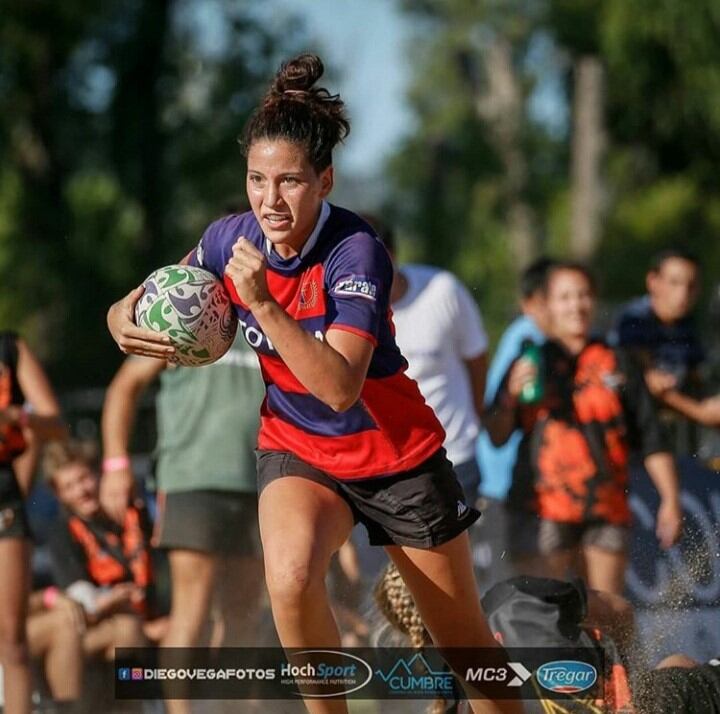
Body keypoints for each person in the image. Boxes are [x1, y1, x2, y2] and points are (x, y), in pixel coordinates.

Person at [107, 53, 521, 714]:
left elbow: (339, 388)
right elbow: (146, 295)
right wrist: (119, 320)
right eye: (256, 180)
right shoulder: (228, 237)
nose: (270, 200)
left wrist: (264, 305)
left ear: (324, 180)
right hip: (299, 445)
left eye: (290, 181)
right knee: (292, 576)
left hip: (396, 458)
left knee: (467, 649)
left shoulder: (356, 250)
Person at [484, 262, 683, 595]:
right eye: (565, 297)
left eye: (584, 295)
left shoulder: (618, 362)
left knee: (606, 611)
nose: (576, 305)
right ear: (546, 306)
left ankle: (622, 651)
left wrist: (671, 499)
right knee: (543, 611)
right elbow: (497, 434)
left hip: (604, 507)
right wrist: (509, 398)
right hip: (540, 508)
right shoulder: (530, 359)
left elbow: (651, 438)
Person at [100, 333, 266, 714]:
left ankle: (234, 709)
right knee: (193, 606)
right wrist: (115, 464)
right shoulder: (187, 304)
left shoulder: (272, 309)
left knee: (243, 611)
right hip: (191, 478)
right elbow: (126, 386)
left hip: (261, 479)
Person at [372, 217, 488, 501]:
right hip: (379, 465)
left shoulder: (443, 290)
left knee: (458, 546)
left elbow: (477, 360)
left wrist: (475, 419)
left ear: (392, 255)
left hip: (452, 456)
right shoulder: (339, 306)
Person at [473, 258, 555, 587]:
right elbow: (501, 410)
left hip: (513, 484)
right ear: (532, 303)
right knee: (515, 590)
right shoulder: (527, 338)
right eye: (558, 296)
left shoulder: (527, 336)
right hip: (507, 484)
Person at [43, 441, 160, 659]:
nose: (81, 491)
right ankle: (136, 689)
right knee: (128, 631)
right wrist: (115, 599)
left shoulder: (134, 513)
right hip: (105, 626)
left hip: (154, 616)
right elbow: (80, 602)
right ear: (59, 494)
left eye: (84, 479)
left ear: (99, 474)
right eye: (69, 487)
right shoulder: (63, 533)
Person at [0, 332, 66, 714]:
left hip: (4, 502)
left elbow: (54, 424)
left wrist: (14, 416)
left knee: (12, 639)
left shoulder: (10, 348)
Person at [613, 249, 720, 429]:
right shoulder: (635, 319)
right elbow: (649, 382)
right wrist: (701, 412)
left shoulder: (687, 325)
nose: (683, 293)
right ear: (653, 281)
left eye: (691, 285)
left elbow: (697, 377)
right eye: (674, 283)